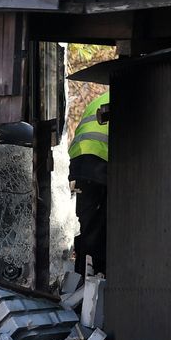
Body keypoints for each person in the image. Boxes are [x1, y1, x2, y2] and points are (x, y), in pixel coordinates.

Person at [69, 90, 109, 276]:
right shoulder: (130, 93)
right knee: (102, 223)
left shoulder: (103, 98)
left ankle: (83, 274)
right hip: (101, 160)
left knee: (88, 222)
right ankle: (96, 274)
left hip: (80, 160)